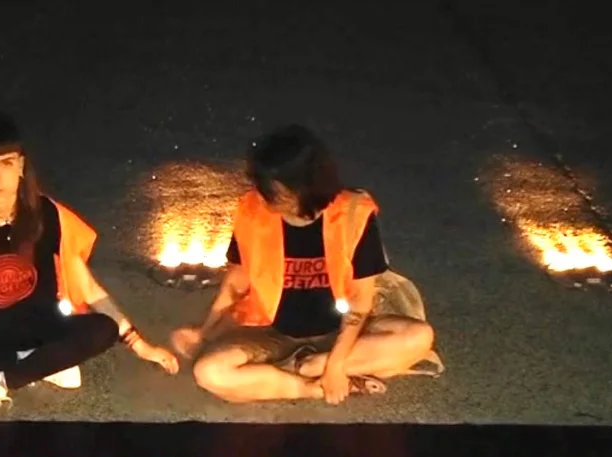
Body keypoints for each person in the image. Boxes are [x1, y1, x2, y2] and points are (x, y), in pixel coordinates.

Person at [0, 110, 178, 412]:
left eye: (6, 163)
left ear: (21, 165)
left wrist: (141, 346)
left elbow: (88, 286)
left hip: (47, 328)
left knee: (102, 330)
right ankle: (39, 366)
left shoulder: (48, 214)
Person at [171, 124, 438, 405]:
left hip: (344, 331)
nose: (262, 195)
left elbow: (361, 299)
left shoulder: (353, 213)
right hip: (273, 332)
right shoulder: (252, 211)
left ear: (304, 186)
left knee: (419, 336)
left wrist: (335, 363)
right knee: (209, 373)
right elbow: (237, 283)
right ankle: (311, 387)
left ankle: (313, 367)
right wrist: (204, 330)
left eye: (273, 189)